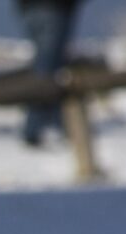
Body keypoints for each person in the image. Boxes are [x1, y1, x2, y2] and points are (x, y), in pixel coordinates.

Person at [15, 0, 85, 146]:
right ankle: (37, 127)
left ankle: (54, 122)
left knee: (47, 66)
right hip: (54, 8)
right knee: (48, 69)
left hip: (31, 7)